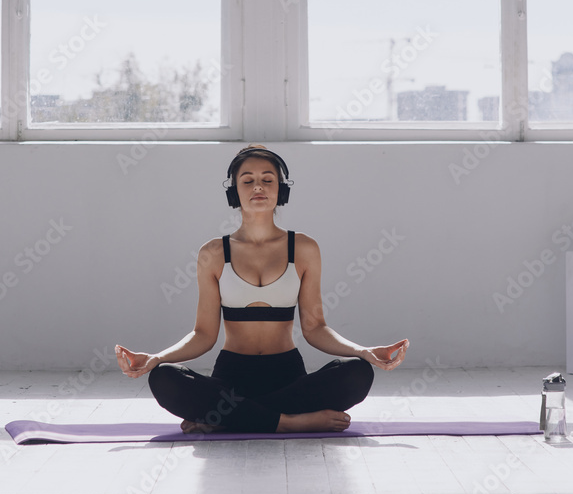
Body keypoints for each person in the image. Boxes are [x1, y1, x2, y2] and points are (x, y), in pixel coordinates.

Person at [115, 144, 409, 434]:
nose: (259, 186)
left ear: (281, 190)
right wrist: (158, 358)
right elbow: (203, 335)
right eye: (248, 180)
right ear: (234, 191)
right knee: (163, 378)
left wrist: (364, 351)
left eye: (268, 179)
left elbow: (315, 327)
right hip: (231, 375)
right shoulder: (214, 253)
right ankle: (290, 421)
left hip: (287, 376)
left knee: (358, 373)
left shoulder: (304, 249)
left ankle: (229, 417)